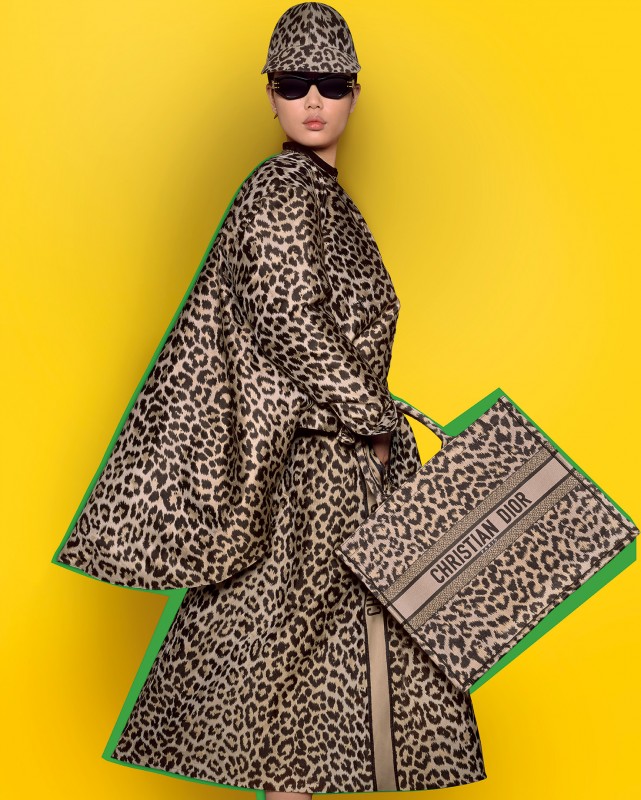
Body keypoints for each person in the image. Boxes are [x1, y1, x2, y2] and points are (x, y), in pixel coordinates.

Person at [87, 3, 487, 796]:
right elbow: (286, 317)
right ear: (268, 94)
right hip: (306, 473)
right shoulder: (281, 190)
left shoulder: (321, 195)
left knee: (302, 687)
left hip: (331, 465)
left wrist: (371, 435)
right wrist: (374, 420)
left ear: (354, 95)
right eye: (294, 82)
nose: (312, 99)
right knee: (287, 678)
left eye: (330, 83)